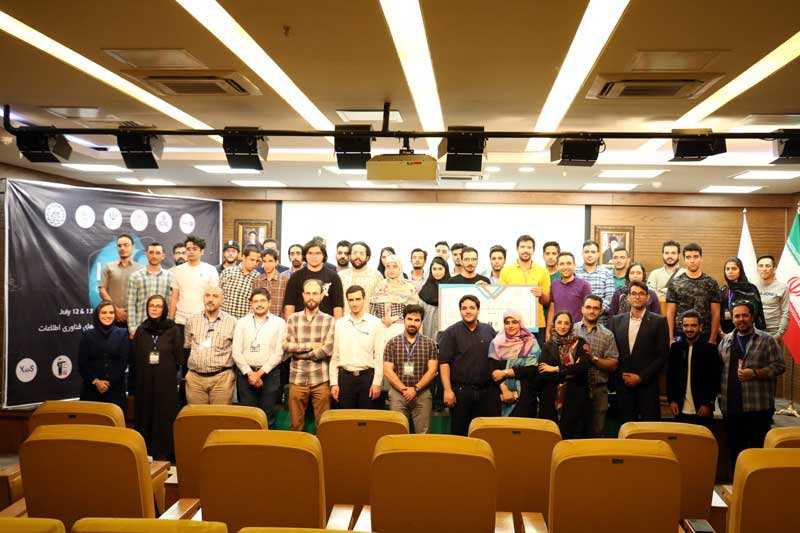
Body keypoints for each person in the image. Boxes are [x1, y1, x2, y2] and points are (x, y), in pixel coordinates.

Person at [718, 301, 785, 469]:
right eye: (737, 316)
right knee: (735, 452)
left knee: (758, 454)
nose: (741, 319)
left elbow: (780, 366)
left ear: (752, 317)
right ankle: (738, 483)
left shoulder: (767, 339)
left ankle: (758, 484)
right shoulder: (726, 340)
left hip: (758, 408)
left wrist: (755, 373)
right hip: (731, 408)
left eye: (744, 315)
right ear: (733, 318)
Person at [609, 281, 670, 422]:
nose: (637, 297)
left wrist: (641, 377)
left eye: (641, 294)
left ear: (648, 297)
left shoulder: (659, 321)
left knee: (649, 429)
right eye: (634, 293)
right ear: (628, 297)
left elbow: (663, 355)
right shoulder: (616, 321)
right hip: (623, 384)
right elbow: (612, 352)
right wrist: (621, 376)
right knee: (626, 428)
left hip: (647, 385)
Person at [131, 294, 182, 460]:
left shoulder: (172, 329)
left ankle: (163, 453)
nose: (154, 308)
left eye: (158, 306)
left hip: (165, 382)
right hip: (144, 382)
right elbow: (134, 358)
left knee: (164, 416)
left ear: (164, 309)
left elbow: (178, 357)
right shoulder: (141, 330)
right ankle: (145, 452)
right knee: (145, 414)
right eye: (151, 305)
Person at [439, 294, 497, 436]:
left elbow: (495, 360)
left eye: (472, 308)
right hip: (460, 393)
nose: (468, 311)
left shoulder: (489, 331)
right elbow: (444, 363)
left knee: (483, 434)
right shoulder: (450, 332)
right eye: (464, 308)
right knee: (460, 434)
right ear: (460, 311)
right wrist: (447, 390)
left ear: (478, 310)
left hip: (485, 393)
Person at [283, 279, 335, 432]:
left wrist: (300, 354)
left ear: (321, 296)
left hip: (321, 380)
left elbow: (328, 349)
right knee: (295, 426)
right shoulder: (293, 319)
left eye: (315, 293)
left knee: (324, 427)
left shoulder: (329, 320)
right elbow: (286, 346)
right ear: (303, 295)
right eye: (308, 293)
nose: (311, 297)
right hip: (297, 379)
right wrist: (310, 345)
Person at [232, 287, 286, 428]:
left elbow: (279, 352)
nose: (259, 304)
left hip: (270, 374)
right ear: (251, 303)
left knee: (268, 417)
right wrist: (250, 374)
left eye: (262, 301)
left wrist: (259, 374)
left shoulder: (279, 323)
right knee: (247, 417)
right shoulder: (242, 322)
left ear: (269, 302)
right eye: (255, 301)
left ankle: (266, 442)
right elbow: (236, 351)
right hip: (245, 375)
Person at [383, 304, 439, 433]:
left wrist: (416, 389)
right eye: (409, 319)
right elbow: (387, 370)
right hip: (398, 393)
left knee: (423, 434)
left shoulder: (430, 344)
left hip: (422, 393)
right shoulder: (392, 343)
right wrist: (404, 389)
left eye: (417, 320)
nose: (412, 323)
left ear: (421, 322)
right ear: (404, 319)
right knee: (397, 432)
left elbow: (432, 371)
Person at [538, 311, 591, 438]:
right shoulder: (548, 345)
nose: (563, 326)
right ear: (554, 324)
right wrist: (571, 370)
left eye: (566, 323)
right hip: (552, 397)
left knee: (573, 435)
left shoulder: (580, 342)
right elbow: (543, 373)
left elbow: (583, 368)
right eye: (559, 322)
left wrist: (556, 369)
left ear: (571, 325)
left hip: (575, 396)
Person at [330, 285, 384, 409]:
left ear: (364, 300)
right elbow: (335, 356)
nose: (354, 303)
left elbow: (379, 355)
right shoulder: (340, 324)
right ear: (347, 301)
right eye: (351, 300)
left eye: (358, 299)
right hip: (345, 378)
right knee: (345, 418)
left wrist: (377, 382)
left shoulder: (375, 323)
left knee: (366, 418)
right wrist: (333, 383)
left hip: (367, 378)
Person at [666, 310, 722, 429]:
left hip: (702, 409)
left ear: (700, 327)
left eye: (693, 325)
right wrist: (672, 400)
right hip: (679, 408)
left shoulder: (710, 350)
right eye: (686, 325)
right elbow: (671, 376)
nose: (689, 329)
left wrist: (708, 403)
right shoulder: (675, 348)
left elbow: (715, 380)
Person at [574, 294, 619, 437]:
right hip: (574, 388)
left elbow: (613, 365)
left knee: (597, 432)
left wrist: (592, 357)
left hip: (598, 389)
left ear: (600, 311)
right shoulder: (571, 331)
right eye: (588, 307)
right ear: (582, 309)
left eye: (595, 308)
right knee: (574, 432)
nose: (591, 311)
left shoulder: (607, 335)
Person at [183, 286, 237, 405]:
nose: (210, 299)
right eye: (207, 295)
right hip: (195, 380)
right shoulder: (191, 320)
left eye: (215, 296)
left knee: (219, 416)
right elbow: (187, 346)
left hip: (222, 379)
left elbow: (236, 351)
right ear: (203, 298)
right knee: (197, 415)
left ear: (222, 300)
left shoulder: (232, 322)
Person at [487, 309, 542, 417]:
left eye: (514, 322)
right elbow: (492, 369)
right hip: (501, 396)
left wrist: (504, 373)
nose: (510, 326)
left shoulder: (530, 342)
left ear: (520, 323)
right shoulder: (496, 343)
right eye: (507, 323)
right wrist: (505, 391)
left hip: (525, 396)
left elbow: (531, 369)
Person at [78, 301, 130, 413]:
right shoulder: (87, 335)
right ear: (97, 315)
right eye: (104, 312)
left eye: (111, 312)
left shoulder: (123, 334)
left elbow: (123, 362)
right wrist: (96, 382)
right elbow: (82, 364)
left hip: (115, 391)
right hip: (91, 391)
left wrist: (108, 382)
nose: (108, 315)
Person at [498, 235, 552, 343]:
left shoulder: (543, 271)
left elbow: (547, 301)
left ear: (533, 250)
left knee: (536, 354)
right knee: (513, 354)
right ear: (517, 249)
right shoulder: (506, 271)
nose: (526, 250)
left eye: (529, 247)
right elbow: (501, 299)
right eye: (522, 247)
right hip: (513, 325)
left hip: (537, 325)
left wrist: (541, 295)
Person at [666, 243, 721, 344]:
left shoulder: (711, 283)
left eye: (695, 257)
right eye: (688, 257)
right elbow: (670, 313)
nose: (692, 260)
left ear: (701, 258)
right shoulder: (675, 283)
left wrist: (713, 338)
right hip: (681, 333)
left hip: (705, 333)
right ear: (684, 259)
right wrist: (670, 337)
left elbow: (716, 313)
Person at [169, 235, 219, 333]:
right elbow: (174, 297)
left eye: (195, 249)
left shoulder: (210, 270)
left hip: (203, 320)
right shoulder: (177, 270)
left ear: (202, 251)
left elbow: (214, 298)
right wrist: (170, 320)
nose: (191, 252)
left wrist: (212, 320)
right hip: (180, 320)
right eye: (188, 249)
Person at [284, 240, 344, 319]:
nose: (314, 256)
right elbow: (289, 306)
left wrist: (336, 325)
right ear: (305, 255)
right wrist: (290, 324)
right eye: (310, 253)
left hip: (326, 324)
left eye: (317, 253)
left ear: (323, 255)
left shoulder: (333, 277)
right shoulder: (295, 277)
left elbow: (338, 307)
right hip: (300, 323)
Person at [370, 254, 419, 346]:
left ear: (400, 268)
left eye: (395, 266)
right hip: (380, 329)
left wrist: (395, 318)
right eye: (388, 266)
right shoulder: (379, 286)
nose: (391, 270)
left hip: (402, 329)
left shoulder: (409, 287)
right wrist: (380, 320)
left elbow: (414, 313)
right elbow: (372, 311)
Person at [126, 242, 173, 339]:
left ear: (163, 256)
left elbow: (170, 303)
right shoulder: (135, 276)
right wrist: (132, 329)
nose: (154, 256)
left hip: (163, 329)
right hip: (141, 327)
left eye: (158, 253)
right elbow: (130, 304)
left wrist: (169, 327)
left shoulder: (170, 276)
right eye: (151, 252)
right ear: (146, 255)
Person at [99, 233, 144, 329]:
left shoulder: (141, 269)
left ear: (133, 247)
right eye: (119, 246)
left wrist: (131, 313)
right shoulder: (108, 267)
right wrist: (116, 310)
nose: (122, 248)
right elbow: (102, 290)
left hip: (134, 318)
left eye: (126, 245)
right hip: (112, 317)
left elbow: (143, 294)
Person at [547, 252, 591, 338]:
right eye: (562, 264)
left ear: (574, 265)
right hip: (557, 333)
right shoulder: (554, 285)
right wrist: (548, 330)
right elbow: (552, 308)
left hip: (577, 333)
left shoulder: (584, 285)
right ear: (557, 266)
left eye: (568, 263)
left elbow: (588, 311)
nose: (565, 267)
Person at [719, 257, 766, 335]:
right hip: (726, 333)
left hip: (747, 331)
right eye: (727, 269)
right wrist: (721, 333)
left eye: (734, 269)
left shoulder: (750, 289)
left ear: (740, 270)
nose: (730, 271)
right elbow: (717, 314)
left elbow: (756, 313)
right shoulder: (723, 290)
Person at [576, 240, 615, 323]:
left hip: (601, 322)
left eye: (593, 252)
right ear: (582, 254)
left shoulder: (606, 273)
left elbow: (610, 298)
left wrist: (595, 311)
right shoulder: (575, 273)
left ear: (598, 254)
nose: (589, 255)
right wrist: (585, 312)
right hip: (578, 321)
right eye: (586, 252)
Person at [219, 245, 261, 319]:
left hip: (245, 321)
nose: (255, 263)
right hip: (224, 319)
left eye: (257, 261)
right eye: (252, 260)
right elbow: (218, 294)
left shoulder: (258, 278)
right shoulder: (227, 272)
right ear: (243, 257)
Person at [339, 241, 383, 308]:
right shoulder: (341, 276)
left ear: (367, 258)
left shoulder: (376, 276)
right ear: (349, 256)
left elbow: (381, 303)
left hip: (369, 314)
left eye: (361, 254)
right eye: (355, 253)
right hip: (346, 314)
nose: (358, 256)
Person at [755, 254, 789, 339]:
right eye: (761, 266)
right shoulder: (752, 287)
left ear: (774, 269)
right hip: (754, 333)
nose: (764, 269)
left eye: (768, 266)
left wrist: (778, 335)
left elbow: (785, 312)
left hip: (774, 333)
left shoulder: (782, 288)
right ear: (757, 269)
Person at [418, 256, 450, 341]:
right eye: (434, 269)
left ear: (446, 270)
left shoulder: (451, 289)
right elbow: (419, 313)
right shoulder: (425, 289)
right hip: (428, 330)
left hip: (448, 331)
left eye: (440, 269)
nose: (437, 272)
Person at [252, 248, 287, 317]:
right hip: (260, 319)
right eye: (264, 261)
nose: (267, 265)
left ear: (276, 262)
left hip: (279, 320)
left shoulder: (285, 280)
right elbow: (254, 302)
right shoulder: (257, 280)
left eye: (270, 261)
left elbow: (287, 305)